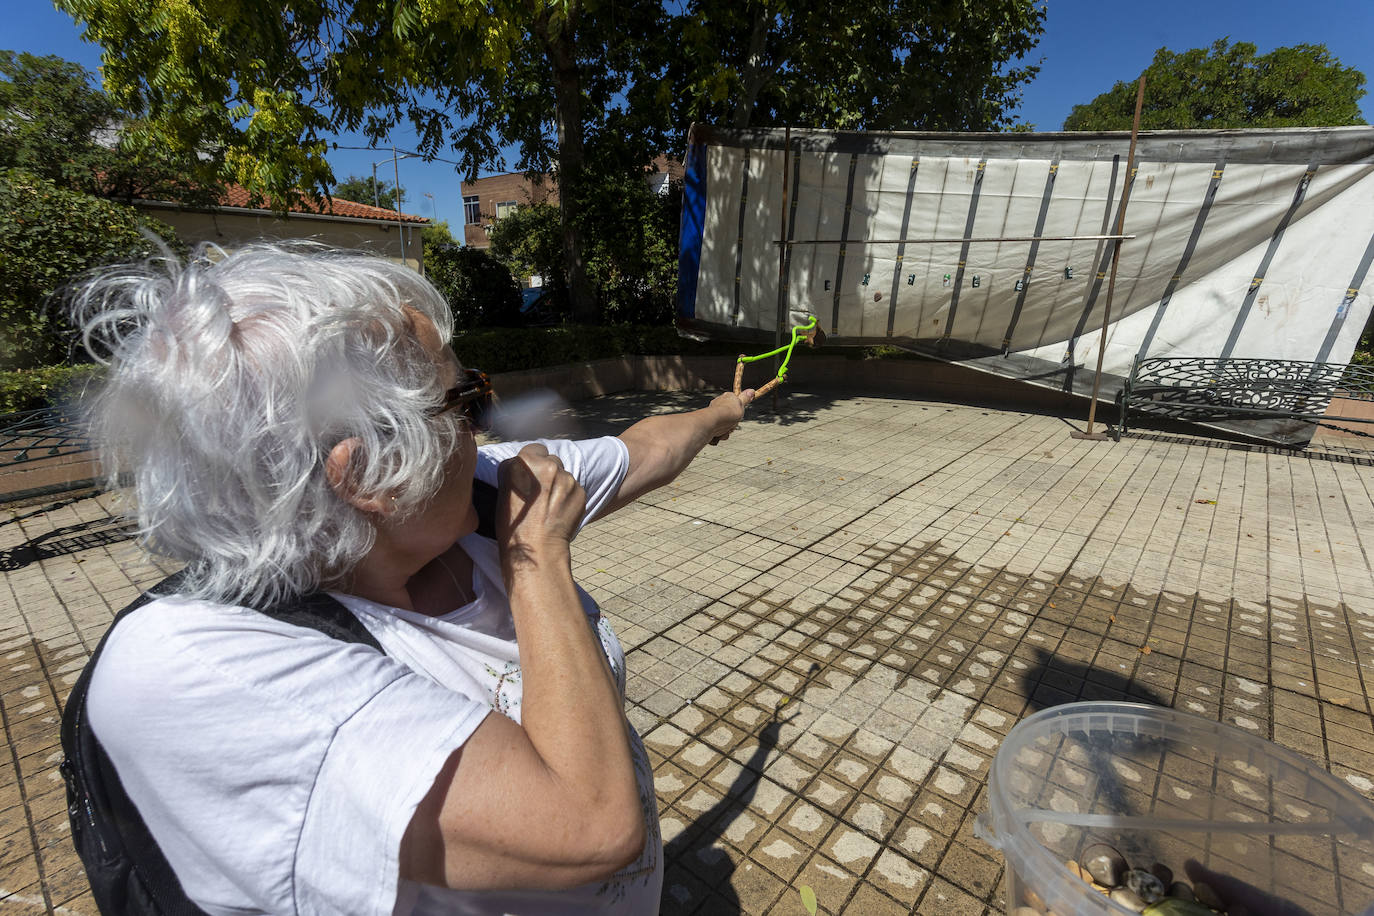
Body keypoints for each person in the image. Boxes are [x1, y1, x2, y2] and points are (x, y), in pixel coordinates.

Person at [71, 242, 754, 916]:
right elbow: (593, 825)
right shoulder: (197, 669)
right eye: (467, 400)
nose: (485, 429)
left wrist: (722, 413)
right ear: (371, 473)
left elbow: (640, 452)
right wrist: (537, 558)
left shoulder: (476, 498)